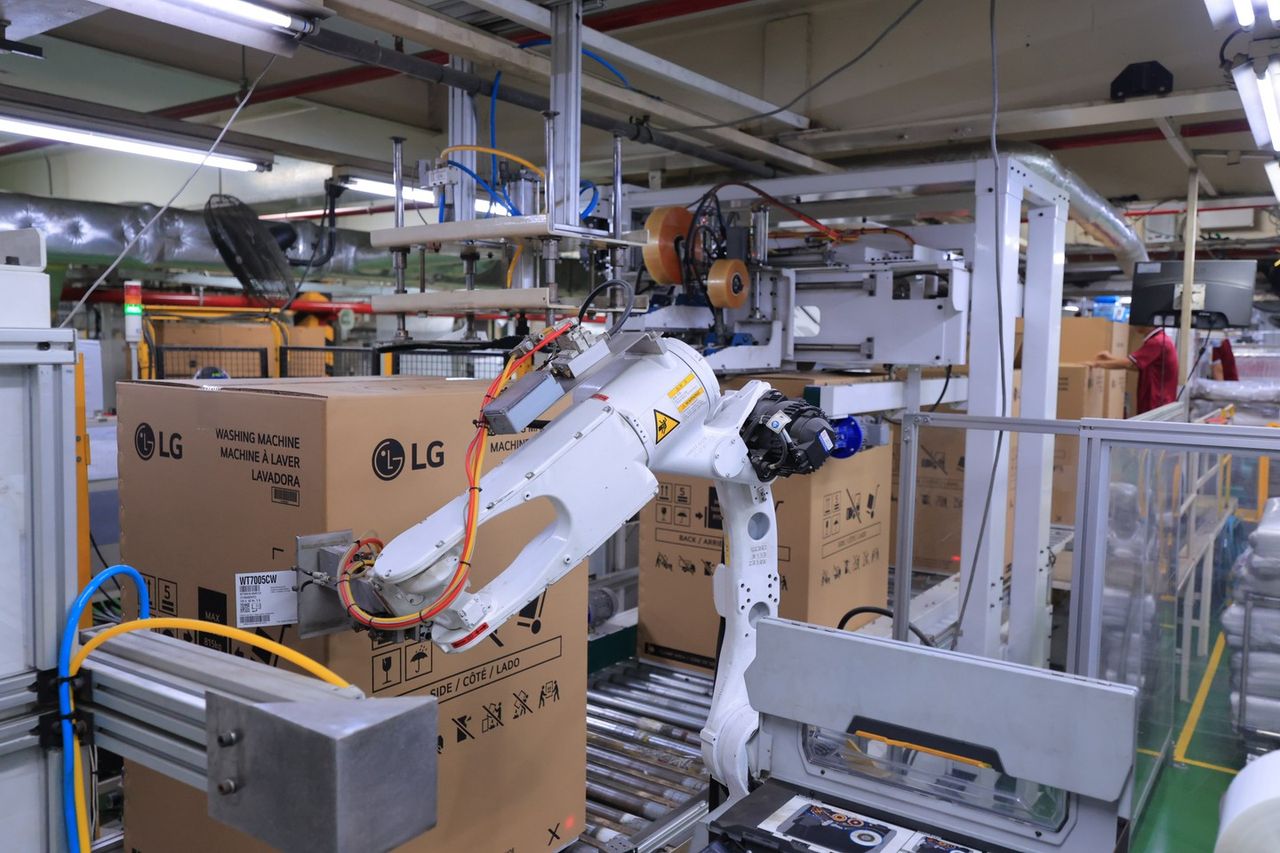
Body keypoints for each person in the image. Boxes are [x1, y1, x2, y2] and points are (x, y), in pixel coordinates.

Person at [1092, 326, 1178, 414]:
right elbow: (1137, 365)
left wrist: (1097, 364)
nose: (1134, 326)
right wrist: (1110, 358)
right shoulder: (1161, 339)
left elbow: (1129, 363)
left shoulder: (1157, 342)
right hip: (1158, 403)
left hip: (1156, 404)